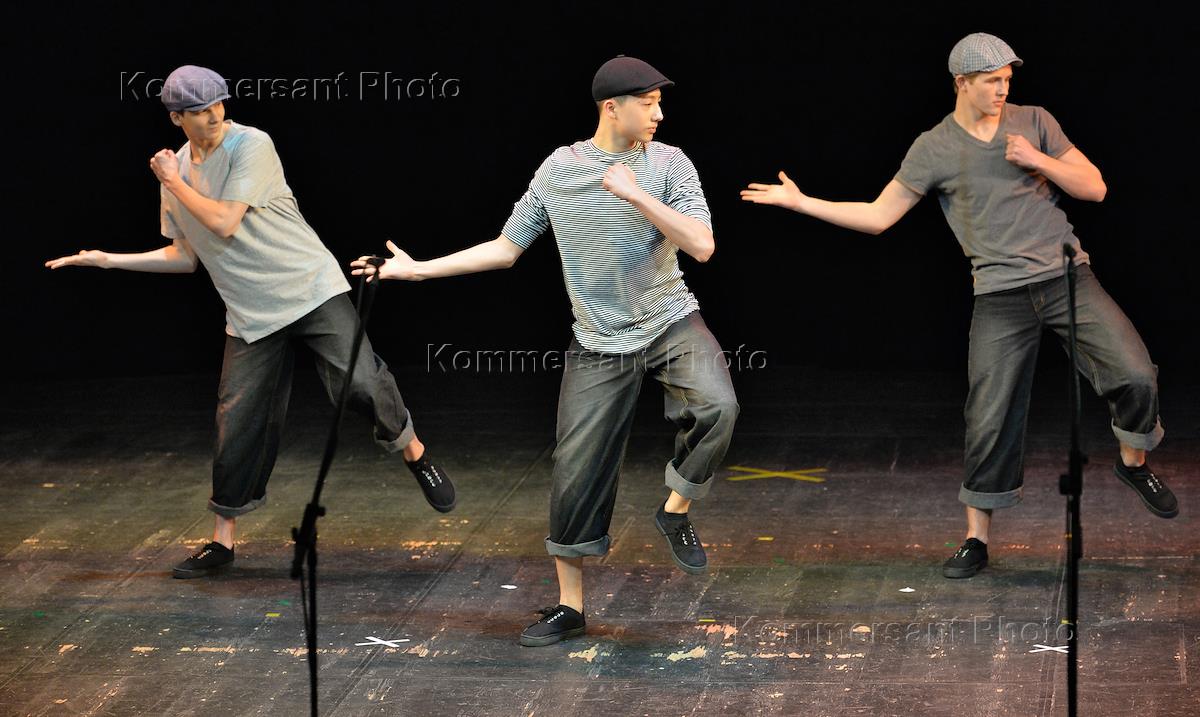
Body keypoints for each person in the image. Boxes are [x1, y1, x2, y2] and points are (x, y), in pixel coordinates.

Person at [741, 33, 1176, 579]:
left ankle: (1133, 463)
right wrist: (802, 202)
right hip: (999, 295)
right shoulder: (934, 148)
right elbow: (878, 217)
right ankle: (976, 539)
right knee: (988, 416)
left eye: (1007, 79)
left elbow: (1095, 188)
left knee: (1135, 374)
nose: (1003, 89)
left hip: (1067, 277)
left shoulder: (1035, 121)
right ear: (961, 83)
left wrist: (1038, 159)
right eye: (992, 81)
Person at [353, 56, 739, 644]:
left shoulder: (670, 164)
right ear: (612, 107)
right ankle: (570, 607)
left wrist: (635, 195)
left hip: (669, 320)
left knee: (719, 405)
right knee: (575, 468)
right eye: (648, 104)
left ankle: (675, 510)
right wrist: (418, 270)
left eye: (660, 104)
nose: (659, 115)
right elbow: (507, 248)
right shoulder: (560, 169)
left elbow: (703, 246)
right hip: (598, 340)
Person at [46, 65, 456, 579]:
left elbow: (223, 221)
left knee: (361, 383)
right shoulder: (176, 170)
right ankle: (223, 540)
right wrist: (108, 260)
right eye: (199, 110)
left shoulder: (250, 145)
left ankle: (415, 453)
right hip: (249, 312)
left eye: (218, 104)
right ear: (176, 118)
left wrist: (172, 181)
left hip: (308, 287)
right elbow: (185, 256)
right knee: (236, 421)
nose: (213, 115)